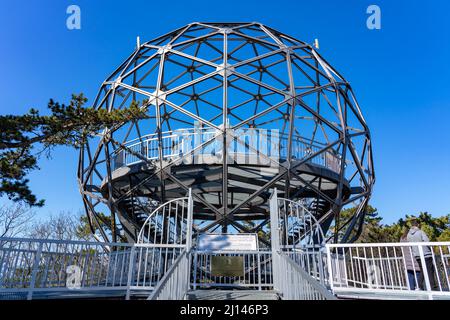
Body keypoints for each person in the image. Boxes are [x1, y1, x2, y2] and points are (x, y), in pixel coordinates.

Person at [406, 219, 438, 290]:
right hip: (426, 254)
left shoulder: (408, 235)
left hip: (417, 255)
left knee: (423, 270)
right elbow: (427, 241)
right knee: (430, 270)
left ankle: (420, 285)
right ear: (418, 224)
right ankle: (433, 286)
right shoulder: (420, 232)